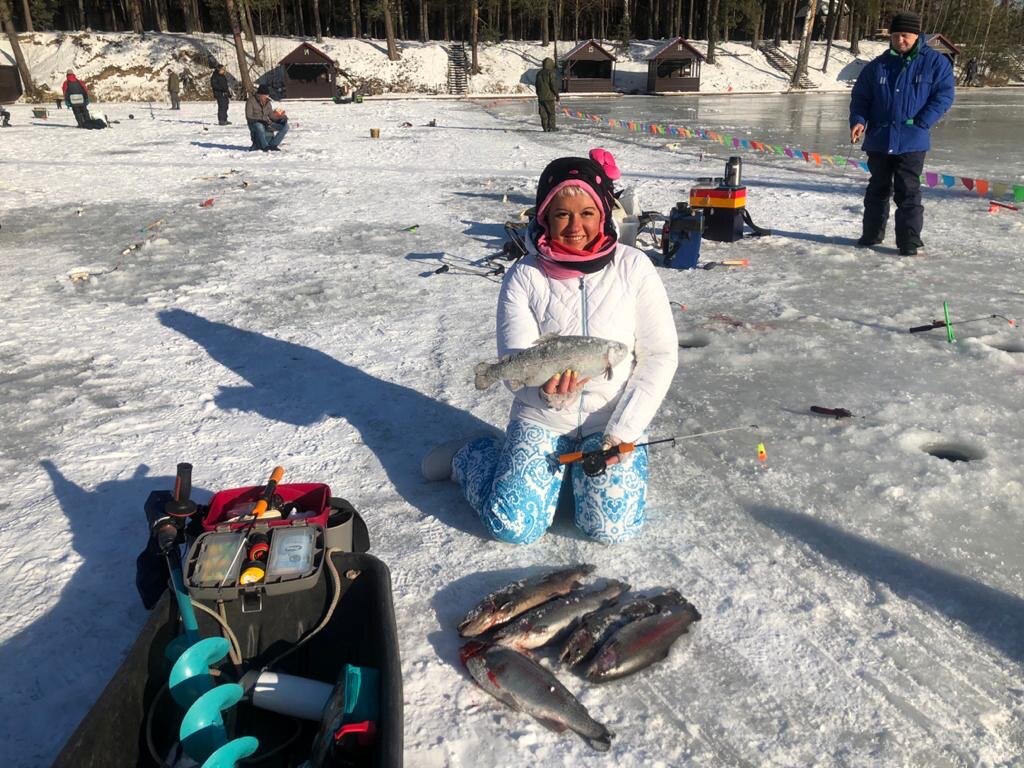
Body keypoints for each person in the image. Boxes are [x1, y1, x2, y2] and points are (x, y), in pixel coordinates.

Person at [422, 156, 678, 545]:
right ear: (544, 216)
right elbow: (517, 364)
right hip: (542, 417)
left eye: (588, 212)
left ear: (604, 213)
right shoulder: (524, 276)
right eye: (562, 214)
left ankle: (575, 477)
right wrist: (544, 394)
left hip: (610, 421)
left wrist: (620, 434)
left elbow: (660, 356)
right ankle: (472, 455)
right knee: (512, 526)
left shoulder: (634, 267)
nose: (576, 227)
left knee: (612, 529)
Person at [849, 11, 955, 256]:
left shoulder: (935, 63)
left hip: (912, 140)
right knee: (877, 189)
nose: (900, 41)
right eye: (896, 36)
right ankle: (871, 234)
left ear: (917, 36)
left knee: (908, 191)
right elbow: (861, 99)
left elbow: (944, 95)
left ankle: (908, 241)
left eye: (905, 36)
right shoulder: (878, 65)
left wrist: (923, 122)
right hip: (879, 138)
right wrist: (858, 121)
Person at [245, 84, 289, 152]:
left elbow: (271, 116)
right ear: (259, 95)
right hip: (254, 124)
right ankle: (265, 146)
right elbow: (249, 116)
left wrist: (280, 119)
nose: (266, 97)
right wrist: (260, 120)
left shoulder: (268, 102)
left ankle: (273, 145)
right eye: (265, 95)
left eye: (267, 95)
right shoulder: (251, 101)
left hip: (267, 123)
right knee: (259, 126)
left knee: (285, 126)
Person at [534, 57, 560, 132]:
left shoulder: (539, 73)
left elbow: (536, 85)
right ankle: (552, 127)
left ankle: (545, 127)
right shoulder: (551, 73)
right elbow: (553, 85)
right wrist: (557, 95)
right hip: (549, 97)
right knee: (551, 113)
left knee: (543, 114)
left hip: (541, 97)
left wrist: (538, 94)